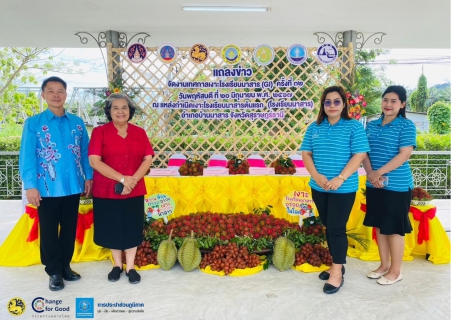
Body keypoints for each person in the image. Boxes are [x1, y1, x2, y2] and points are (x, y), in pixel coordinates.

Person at [19, 76, 93, 291]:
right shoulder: (33, 123)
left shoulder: (77, 123)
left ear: (66, 94)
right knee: (49, 230)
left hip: (72, 186)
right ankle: (53, 271)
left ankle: (65, 266)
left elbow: (85, 153)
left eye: (60, 91)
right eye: (50, 91)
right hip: (45, 188)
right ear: (43, 95)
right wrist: (30, 185)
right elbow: (27, 156)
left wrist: (88, 176)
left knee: (70, 228)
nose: (56, 95)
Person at [300, 86, 370, 294]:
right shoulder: (314, 127)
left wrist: (340, 178)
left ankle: (337, 273)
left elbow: (359, 155)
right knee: (329, 227)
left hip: (343, 187)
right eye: (328, 102)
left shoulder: (353, 127)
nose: (332, 105)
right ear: (323, 105)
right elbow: (306, 154)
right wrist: (317, 177)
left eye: (336, 101)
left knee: (337, 228)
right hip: (319, 187)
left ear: (344, 104)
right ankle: (335, 264)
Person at [88, 93, 154, 284]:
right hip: (107, 190)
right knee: (112, 227)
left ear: (130, 111)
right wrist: (123, 179)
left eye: (124, 107)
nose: (120, 111)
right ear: (109, 111)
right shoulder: (100, 132)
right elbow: (94, 161)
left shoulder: (139, 132)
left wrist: (132, 181)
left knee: (131, 227)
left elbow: (148, 158)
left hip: (134, 188)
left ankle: (131, 267)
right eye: (115, 108)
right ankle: (117, 265)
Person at [363, 85, 416, 285]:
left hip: (397, 185)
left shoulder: (406, 126)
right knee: (379, 226)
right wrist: (371, 175)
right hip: (374, 183)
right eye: (385, 100)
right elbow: (364, 152)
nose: (388, 104)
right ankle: (384, 266)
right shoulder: (371, 125)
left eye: (394, 101)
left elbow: (404, 154)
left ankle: (396, 271)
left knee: (393, 228)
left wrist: (379, 172)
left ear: (402, 104)